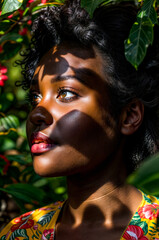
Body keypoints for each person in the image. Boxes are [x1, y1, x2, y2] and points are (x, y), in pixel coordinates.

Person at [1, 0, 159, 239]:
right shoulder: (19, 233)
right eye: (35, 97)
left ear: (129, 116)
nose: (36, 113)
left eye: (65, 93)